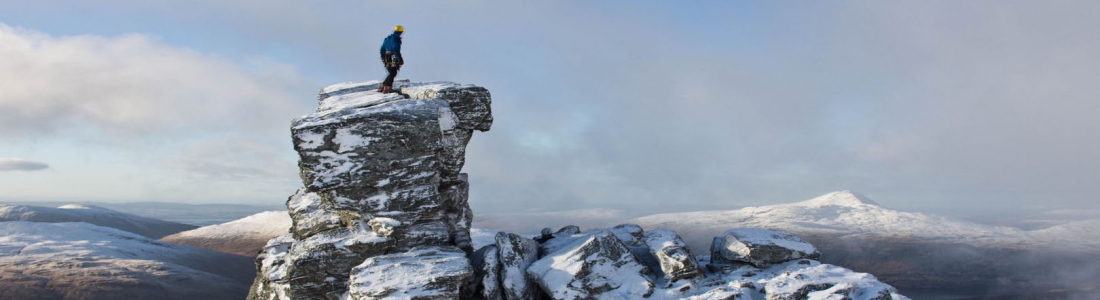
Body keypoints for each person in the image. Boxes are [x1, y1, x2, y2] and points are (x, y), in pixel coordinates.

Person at [378, 25, 404, 93]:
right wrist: (399, 57)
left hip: (386, 56)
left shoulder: (387, 38)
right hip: (393, 56)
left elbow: (382, 49)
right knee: (393, 72)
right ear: (401, 32)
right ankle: (386, 86)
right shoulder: (396, 39)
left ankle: (385, 86)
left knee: (391, 71)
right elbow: (396, 48)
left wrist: (383, 57)